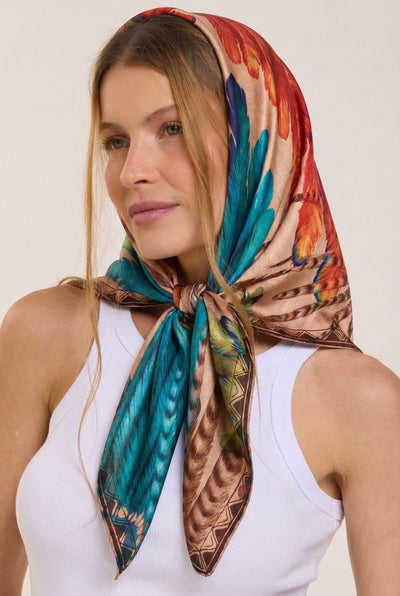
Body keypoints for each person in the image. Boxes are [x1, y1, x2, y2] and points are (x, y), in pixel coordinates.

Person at [1, 7, 399, 596]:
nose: (131, 171)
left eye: (172, 128)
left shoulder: (358, 402)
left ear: (256, 140)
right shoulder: (45, 332)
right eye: (116, 141)